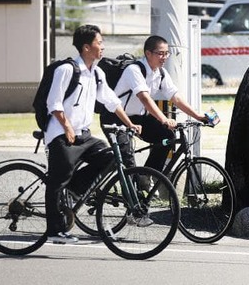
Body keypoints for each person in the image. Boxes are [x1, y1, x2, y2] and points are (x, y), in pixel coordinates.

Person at [44, 24, 142, 245]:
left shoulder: (97, 72)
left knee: (109, 157)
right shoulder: (66, 70)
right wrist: (67, 128)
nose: (103, 47)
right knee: (57, 181)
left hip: (84, 135)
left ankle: (74, 189)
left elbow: (111, 101)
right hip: (61, 134)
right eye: (100, 43)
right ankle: (54, 230)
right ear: (86, 47)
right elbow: (54, 103)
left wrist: (130, 124)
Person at [101, 35, 211, 173]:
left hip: (138, 117)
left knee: (167, 135)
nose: (164, 57)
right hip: (115, 118)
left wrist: (197, 116)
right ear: (148, 53)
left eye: (166, 53)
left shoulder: (161, 73)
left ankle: (148, 175)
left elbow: (175, 97)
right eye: (160, 53)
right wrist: (164, 119)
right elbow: (145, 99)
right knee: (128, 160)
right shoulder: (134, 70)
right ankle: (133, 192)